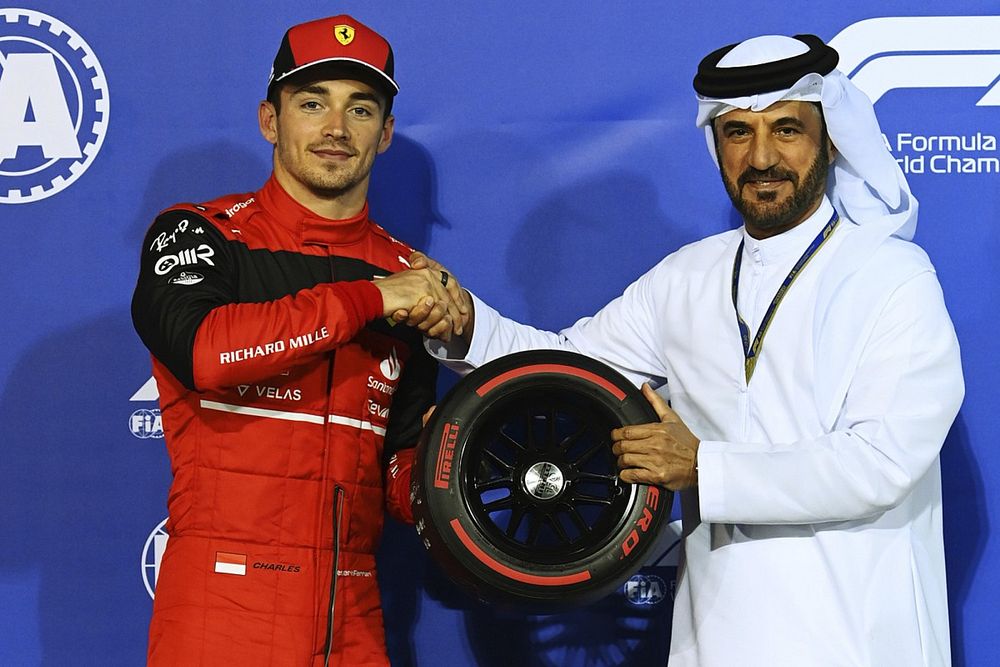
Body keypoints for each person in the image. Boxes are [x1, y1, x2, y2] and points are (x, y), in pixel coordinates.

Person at [415, 34, 964, 666]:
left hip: (859, 639)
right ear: (716, 144)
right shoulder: (686, 277)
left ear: (831, 137)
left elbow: (881, 462)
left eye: (786, 129)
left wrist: (703, 467)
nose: (761, 157)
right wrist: (463, 326)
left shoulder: (894, 275)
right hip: (718, 638)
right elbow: (566, 371)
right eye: (737, 133)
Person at [131, 14, 464, 666]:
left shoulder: (411, 276)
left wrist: (458, 473)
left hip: (356, 620)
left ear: (386, 132)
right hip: (220, 614)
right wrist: (372, 296)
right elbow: (206, 352)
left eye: (360, 109)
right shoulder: (201, 235)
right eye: (312, 103)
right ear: (269, 119)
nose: (336, 129)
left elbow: (400, 466)